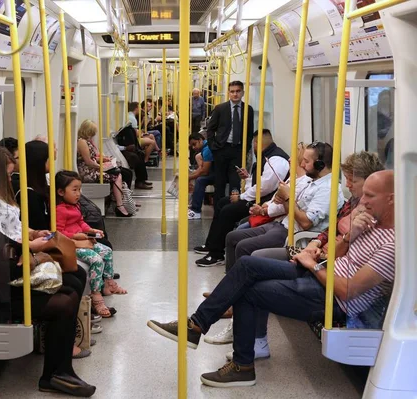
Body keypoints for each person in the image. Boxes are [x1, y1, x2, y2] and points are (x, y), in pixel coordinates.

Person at [147, 170, 395, 388]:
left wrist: (314, 266)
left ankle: (241, 366)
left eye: (370, 196)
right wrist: (349, 236)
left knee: (248, 291)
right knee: (246, 265)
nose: (362, 200)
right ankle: (196, 325)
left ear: (391, 199)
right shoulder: (369, 224)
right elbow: (340, 255)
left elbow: (346, 291)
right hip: (320, 273)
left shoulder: (391, 246)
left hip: (331, 298)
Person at [0, 171, 96, 396]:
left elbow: (6, 246)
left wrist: (28, 252)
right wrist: (35, 258)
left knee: (73, 281)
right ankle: (54, 374)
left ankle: (62, 362)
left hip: (9, 281)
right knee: (65, 301)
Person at [220, 142, 344, 271]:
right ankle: (230, 285)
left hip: (293, 233)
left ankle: (237, 288)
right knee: (232, 237)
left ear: (320, 165)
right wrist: (283, 197)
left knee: (243, 246)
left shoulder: (327, 189)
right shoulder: (311, 181)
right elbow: (290, 203)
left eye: (306, 161)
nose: (302, 165)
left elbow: (306, 222)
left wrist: (287, 198)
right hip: (282, 223)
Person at [253, 151, 385, 261]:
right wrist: (315, 242)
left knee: (254, 259)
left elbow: (306, 223)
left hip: (324, 259)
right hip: (317, 249)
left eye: (353, 180)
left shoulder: (372, 215)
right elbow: (332, 227)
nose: (347, 185)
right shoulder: (353, 201)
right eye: (347, 179)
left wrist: (317, 257)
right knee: (254, 257)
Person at [195, 130, 289, 267]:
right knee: (222, 203)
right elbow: (261, 183)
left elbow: (265, 186)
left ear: (257, 143)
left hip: (264, 203)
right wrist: (248, 178)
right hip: (260, 198)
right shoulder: (267, 156)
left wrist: (241, 197)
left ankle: (217, 254)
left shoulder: (276, 160)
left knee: (228, 211)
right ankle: (212, 244)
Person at [55, 171, 127, 318]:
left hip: (83, 240)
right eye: (74, 190)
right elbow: (59, 233)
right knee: (96, 260)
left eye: (79, 190)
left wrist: (90, 230)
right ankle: (96, 295)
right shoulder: (60, 210)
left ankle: (108, 283)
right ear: (61, 192)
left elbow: (80, 222)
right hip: (71, 245)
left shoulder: (75, 206)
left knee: (106, 251)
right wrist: (78, 236)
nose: (78, 194)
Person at [205, 81, 255, 200]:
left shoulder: (248, 110)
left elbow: (249, 131)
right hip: (221, 149)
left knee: (235, 184)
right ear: (228, 93)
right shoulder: (220, 109)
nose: (235, 94)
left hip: (238, 150)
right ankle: (218, 215)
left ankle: (232, 214)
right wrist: (214, 147)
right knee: (220, 184)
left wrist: (246, 147)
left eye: (238, 91)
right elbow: (211, 129)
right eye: (232, 92)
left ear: (242, 92)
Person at [76, 120, 132, 217]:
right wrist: (101, 167)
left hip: (91, 169)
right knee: (117, 175)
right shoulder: (82, 142)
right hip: (88, 172)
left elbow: (91, 158)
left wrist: (103, 161)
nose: (92, 135)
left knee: (118, 173)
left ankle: (120, 203)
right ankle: (120, 205)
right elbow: (88, 161)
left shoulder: (84, 141)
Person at [118, 105, 153, 190]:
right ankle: (140, 180)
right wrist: (125, 148)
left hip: (125, 147)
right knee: (136, 157)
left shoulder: (128, 122)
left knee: (139, 154)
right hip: (123, 148)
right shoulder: (131, 120)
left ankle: (141, 180)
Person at [188, 133, 214, 220]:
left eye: (194, 144)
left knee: (200, 180)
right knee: (198, 178)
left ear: (200, 140)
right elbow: (201, 168)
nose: (193, 147)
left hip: (218, 174)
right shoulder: (205, 148)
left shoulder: (207, 150)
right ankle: (194, 205)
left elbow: (204, 171)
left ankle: (196, 210)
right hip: (215, 172)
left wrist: (190, 177)